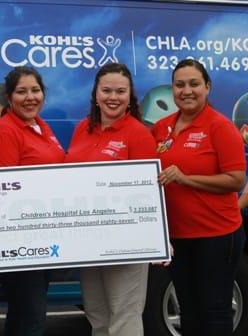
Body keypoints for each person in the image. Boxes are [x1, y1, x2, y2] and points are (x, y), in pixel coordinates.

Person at [151, 59, 246, 336]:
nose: (187, 91)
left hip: (216, 235)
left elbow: (236, 180)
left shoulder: (220, 126)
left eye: (194, 84)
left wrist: (185, 179)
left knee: (214, 311)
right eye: (180, 85)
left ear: (208, 86)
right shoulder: (162, 127)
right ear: (172, 89)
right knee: (188, 311)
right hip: (178, 236)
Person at [65, 63, 157, 336]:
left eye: (120, 91)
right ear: (95, 94)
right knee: (97, 315)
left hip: (127, 242)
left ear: (130, 96)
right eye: (106, 90)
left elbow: (148, 191)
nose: (112, 97)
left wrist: (155, 237)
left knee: (124, 316)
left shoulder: (138, 133)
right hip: (88, 239)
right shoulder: (83, 128)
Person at [0, 66, 65, 336]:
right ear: (9, 97)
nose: (30, 97)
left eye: (35, 90)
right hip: (22, 244)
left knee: (24, 316)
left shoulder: (42, 126)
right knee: (31, 320)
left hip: (43, 239)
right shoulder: (5, 132)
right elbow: (6, 194)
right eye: (21, 91)